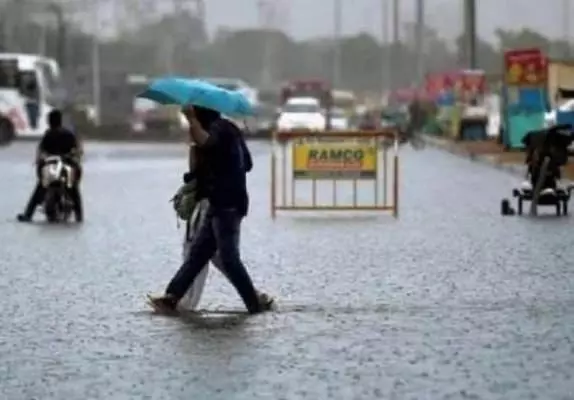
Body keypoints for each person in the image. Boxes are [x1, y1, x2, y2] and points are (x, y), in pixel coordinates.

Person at [148, 105, 273, 314]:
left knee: (229, 259)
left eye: (195, 115)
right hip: (219, 203)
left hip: (227, 204)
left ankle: (254, 303)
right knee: (197, 255)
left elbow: (207, 142)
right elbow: (245, 164)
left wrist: (191, 121)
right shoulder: (229, 129)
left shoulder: (219, 130)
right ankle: (172, 297)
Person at [178, 134, 271, 310]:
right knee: (218, 255)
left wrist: (194, 149)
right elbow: (247, 164)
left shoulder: (207, 135)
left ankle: (184, 301)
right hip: (227, 203)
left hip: (211, 202)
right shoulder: (229, 134)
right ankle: (254, 297)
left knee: (197, 251)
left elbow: (196, 171)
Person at [17, 109, 84, 223]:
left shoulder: (47, 135)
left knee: (39, 189)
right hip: (65, 169)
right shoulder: (69, 135)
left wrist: (40, 161)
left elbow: (40, 153)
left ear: (49, 121)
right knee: (74, 190)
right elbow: (78, 151)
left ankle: (28, 214)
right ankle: (79, 216)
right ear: (60, 121)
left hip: (52, 170)